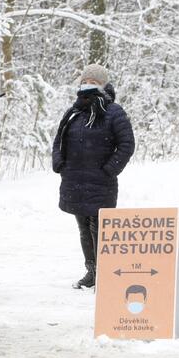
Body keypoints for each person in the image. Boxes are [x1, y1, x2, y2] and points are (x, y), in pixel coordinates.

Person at [52, 64, 135, 289]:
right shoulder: (74, 111)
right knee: (83, 228)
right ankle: (91, 271)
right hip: (74, 180)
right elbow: (59, 138)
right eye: (85, 79)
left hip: (100, 182)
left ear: (103, 84)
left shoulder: (113, 111)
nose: (88, 83)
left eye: (94, 80)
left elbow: (127, 144)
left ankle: (104, 272)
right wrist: (59, 162)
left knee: (99, 228)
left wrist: (109, 169)